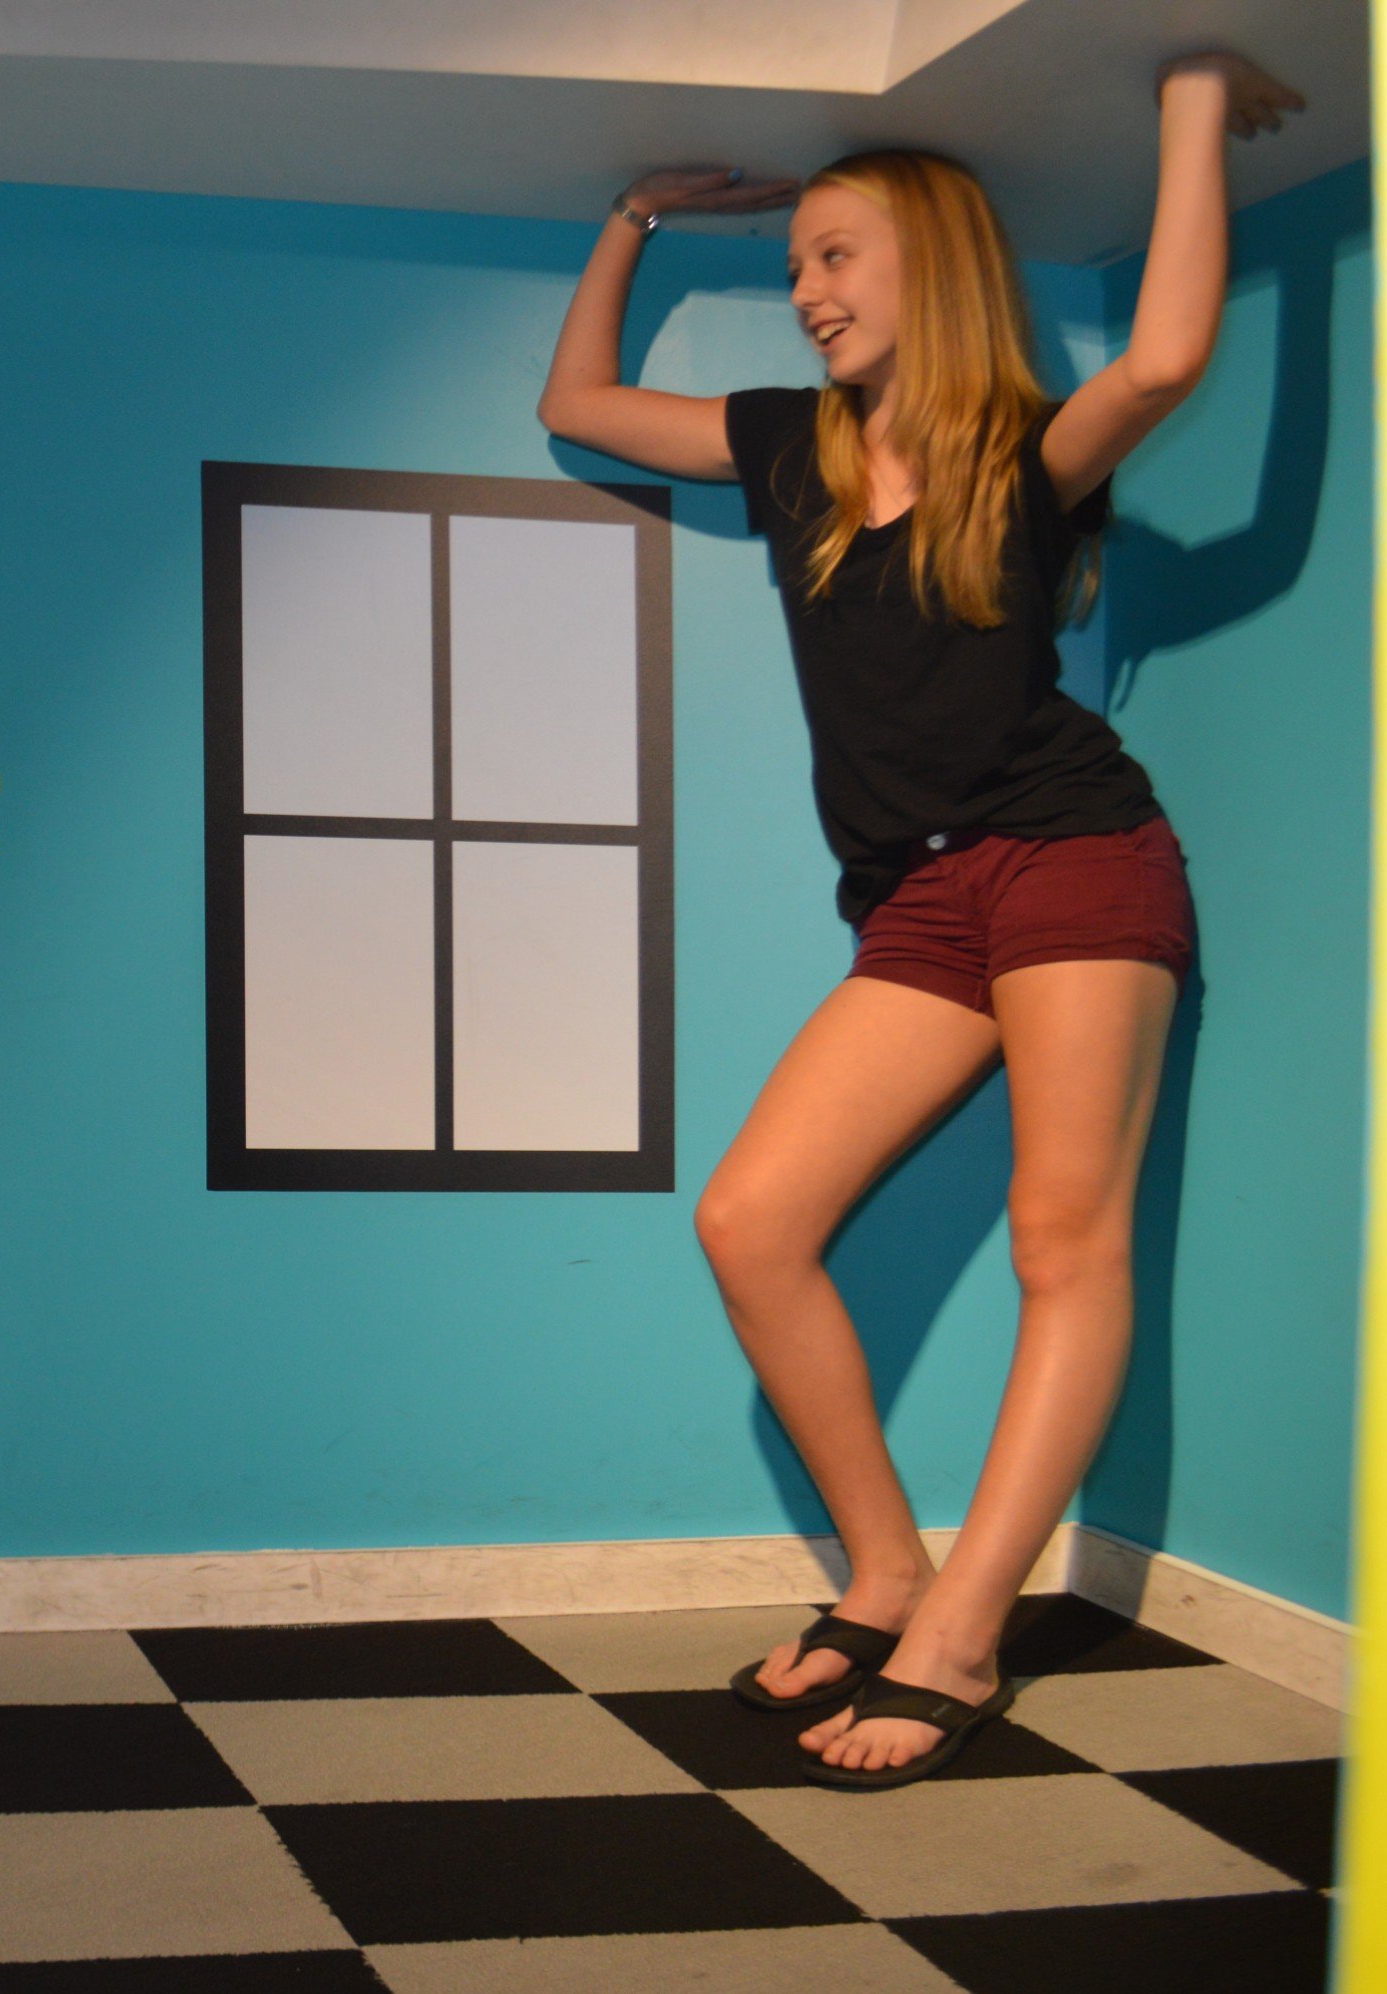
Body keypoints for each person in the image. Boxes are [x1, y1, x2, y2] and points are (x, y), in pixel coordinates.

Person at [535, 53, 1302, 1786]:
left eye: (835, 257)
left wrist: (1188, 96)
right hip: (919, 900)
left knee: (1062, 1240)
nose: (808, 292)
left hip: (1077, 858)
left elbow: (1166, 357)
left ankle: (962, 1629)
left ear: (928, 265)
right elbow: (577, 406)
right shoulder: (788, 449)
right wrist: (635, 214)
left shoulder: (1023, 454)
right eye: (796, 264)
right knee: (752, 1217)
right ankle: (884, 1569)